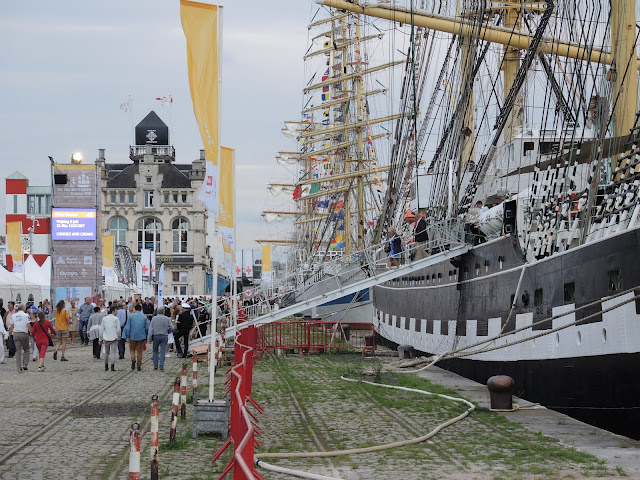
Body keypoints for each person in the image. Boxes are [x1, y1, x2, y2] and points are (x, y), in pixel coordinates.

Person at [122, 304, 149, 371]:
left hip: (132, 336)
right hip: (141, 336)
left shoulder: (131, 317)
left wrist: (127, 336)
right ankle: (139, 365)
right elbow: (147, 328)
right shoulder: (144, 317)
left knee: (132, 349)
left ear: (134, 309)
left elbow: (128, 327)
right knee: (140, 351)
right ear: (141, 309)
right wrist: (146, 334)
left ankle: (133, 358)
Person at [148, 306, 173, 371]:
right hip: (164, 335)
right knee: (163, 351)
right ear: (164, 312)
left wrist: (150, 337)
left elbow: (151, 329)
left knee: (155, 350)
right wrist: (168, 331)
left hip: (156, 336)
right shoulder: (167, 318)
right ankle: (161, 365)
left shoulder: (154, 318)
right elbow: (172, 327)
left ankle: (155, 364)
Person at [8, 304, 31, 372]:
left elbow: (11, 326)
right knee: (26, 349)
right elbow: (28, 325)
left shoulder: (14, 316)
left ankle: (18, 367)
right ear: (24, 308)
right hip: (24, 333)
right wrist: (32, 332)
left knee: (18, 351)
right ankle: (25, 364)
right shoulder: (26, 315)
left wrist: (10, 334)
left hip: (16, 333)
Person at [99, 305, 121, 371]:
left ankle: (106, 366)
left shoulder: (104, 318)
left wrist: (100, 339)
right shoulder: (116, 319)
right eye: (116, 311)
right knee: (113, 352)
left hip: (106, 337)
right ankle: (112, 366)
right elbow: (118, 329)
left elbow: (101, 329)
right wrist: (119, 336)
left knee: (106, 352)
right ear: (113, 311)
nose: (117, 312)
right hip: (114, 337)